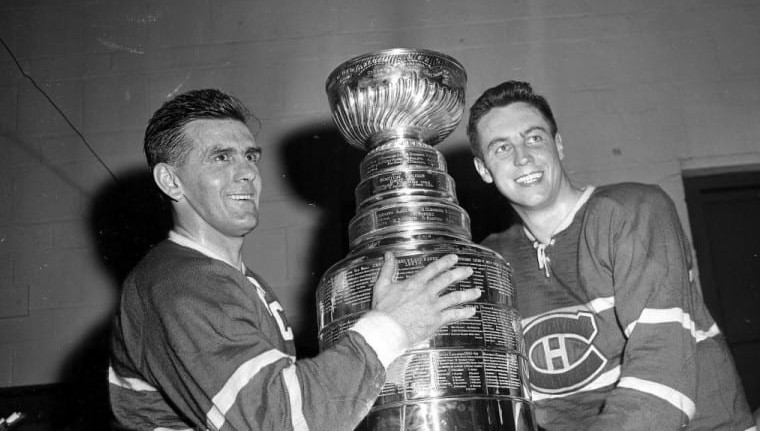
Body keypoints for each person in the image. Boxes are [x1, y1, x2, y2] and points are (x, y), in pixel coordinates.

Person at [108, 88, 481, 430]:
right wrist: (390, 327)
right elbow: (280, 421)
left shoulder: (236, 280)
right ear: (171, 181)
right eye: (220, 158)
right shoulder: (179, 282)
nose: (246, 173)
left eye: (249, 156)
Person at [466, 80, 755, 430]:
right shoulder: (491, 261)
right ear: (483, 169)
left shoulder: (632, 211)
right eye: (501, 148)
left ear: (558, 145)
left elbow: (662, 367)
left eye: (534, 138)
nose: (523, 157)